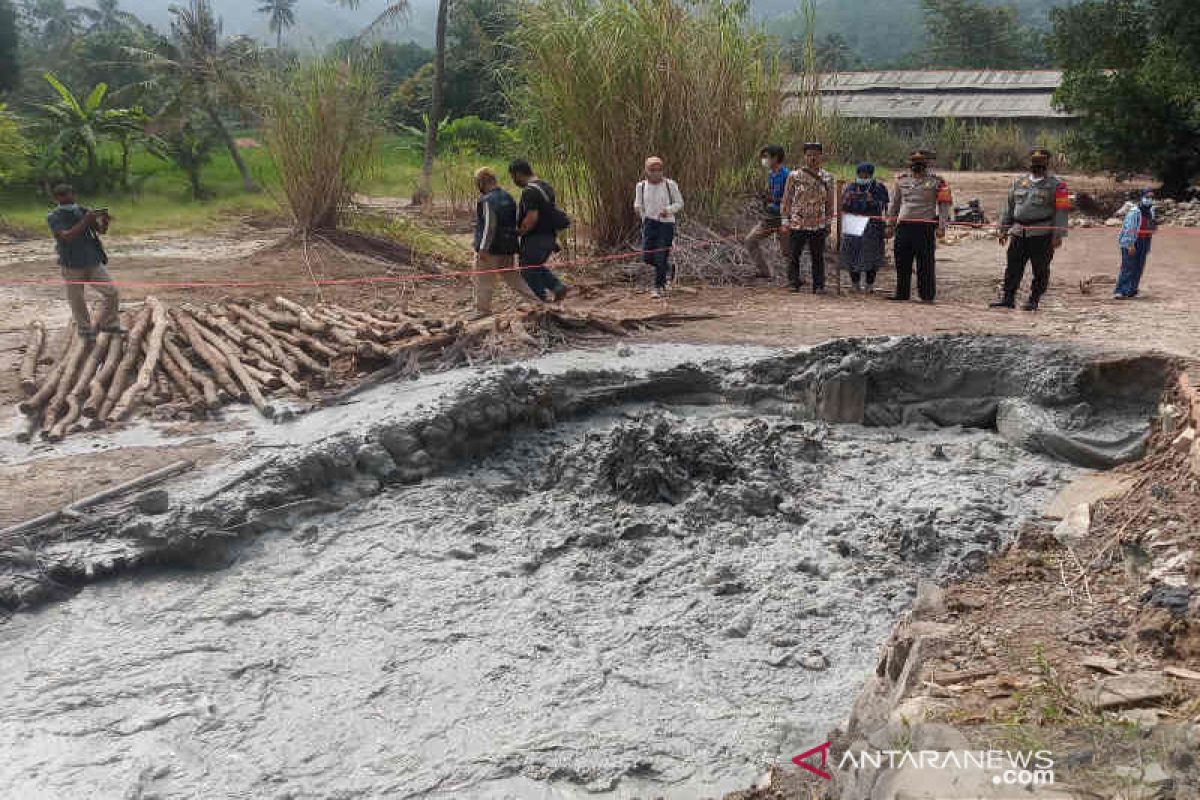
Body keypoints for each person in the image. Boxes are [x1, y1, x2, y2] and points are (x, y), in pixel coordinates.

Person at [989, 147, 1070, 312]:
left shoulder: (1057, 185)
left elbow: (1062, 211)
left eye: (1041, 163)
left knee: (1040, 269)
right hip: (1019, 233)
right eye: (1035, 163)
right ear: (1030, 164)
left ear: (1047, 164)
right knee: (1013, 267)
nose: (1037, 166)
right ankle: (1008, 298)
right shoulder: (1019, 183)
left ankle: (1034, 299)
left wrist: (1058, 234)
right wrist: (1003, 229)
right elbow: (1010, 207)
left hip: (1041, 234)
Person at [46, 183, 123, 339]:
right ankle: (84, 329)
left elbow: (101, 231)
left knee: (112, 292)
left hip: (92, 260)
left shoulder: (82, 211)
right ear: (57, 199)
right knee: (77, 299)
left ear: (73, 194)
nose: (68, 199)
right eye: (63, 196)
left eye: (69, 195)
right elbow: (66, 237)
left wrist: (105, 220)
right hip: (71, 263)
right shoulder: (54, 216)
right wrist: (85, 220)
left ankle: (110, 324)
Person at [471, 167, 542, 317]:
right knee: (513, 278)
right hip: (508, 247)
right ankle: (536, 301)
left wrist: (483, 248)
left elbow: (489, 226)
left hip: (491, 249)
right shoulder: (508, 197)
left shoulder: (486, 200)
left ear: (482, 183)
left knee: (484, 279)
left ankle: (482, 311)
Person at [886, 149, 952, 303]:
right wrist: (889, 224)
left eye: (920, 163)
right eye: (914, 163)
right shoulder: (901, 180)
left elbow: (944, 205)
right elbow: (894, 204)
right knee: (902, 262)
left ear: (926, 164)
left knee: (926, 263)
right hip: (904, 227)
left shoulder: (937, 181)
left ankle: (927, 295)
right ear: (910, 164)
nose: (917, 165)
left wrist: (942, 226)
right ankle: (902, 293)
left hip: (924, 227)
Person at [509, 159, 570, 302]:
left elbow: (532, 217)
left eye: (513, 177)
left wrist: (519, 232)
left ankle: (540, 301)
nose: (513, 181)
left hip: (536, 238)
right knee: (534, 266)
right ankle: (557, 286)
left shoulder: (529, 191)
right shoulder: (546, 186)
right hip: (549, 236)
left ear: (518, 174)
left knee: (527, 269)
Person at [781, 142, 836, 293]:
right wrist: (785, 220)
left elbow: (830, 203)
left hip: (818, 223)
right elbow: (787, 199)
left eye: (816, 155)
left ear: (821, 157)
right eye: (809, 155)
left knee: (817, 256)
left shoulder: (828, 177)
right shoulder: (794, 176)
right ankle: (793, 282)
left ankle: (818, 285)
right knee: (794, 254)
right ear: (804, 157)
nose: (812, 158)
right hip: (797, 221)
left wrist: (829, 222)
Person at [634, 156, 684, 298]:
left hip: (666, 224)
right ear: (646, 171)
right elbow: (638, 203)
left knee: (661, 256)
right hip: (649, 223)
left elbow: (679, 203)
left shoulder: (670, 184)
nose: (656, 173)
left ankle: (658, 287)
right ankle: (669, 268)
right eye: (652, 170)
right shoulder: (641, 186)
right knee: (647, 257)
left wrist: (668, 210)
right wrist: (639, 211)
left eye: (659, 170)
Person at [839, 162, 889, 293]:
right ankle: (854, 284)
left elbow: (883, 206)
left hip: (871, 225)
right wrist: (848, 199)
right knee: (851, 254)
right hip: (853, 224)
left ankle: (869, 285)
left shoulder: (879, 187)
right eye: (860, 174)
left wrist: (871, 200)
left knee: (871, 256)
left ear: (871, 175)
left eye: (866, 174)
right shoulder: (851, 187)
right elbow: (842, 206)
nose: (863, 176)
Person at [745, 144, 791, 280]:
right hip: (770, 217)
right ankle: (765, 271)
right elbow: (771, 193)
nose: (764, 160)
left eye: (766, 157)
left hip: (783, 217)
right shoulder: (771, 174)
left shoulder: (787, 175)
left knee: (787, 251)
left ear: (775, 158)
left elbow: (790, 198)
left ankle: (794, 277)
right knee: (750, 240)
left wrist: (775, 200)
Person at [1114, 188, 1157, 299]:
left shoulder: (1151, 212)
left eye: (1151, 197)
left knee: (1138, 267)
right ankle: (1120, 291)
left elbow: (1150, 229)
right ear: (1142, 198)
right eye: (1147, 197)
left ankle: (1131, 290)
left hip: (1143, 242)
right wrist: (1130, 244)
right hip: (1132, 241)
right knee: (1128, 267)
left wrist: (1148, 244)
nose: (1149, 199)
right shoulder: (1134, 212)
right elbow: (1129, 229)